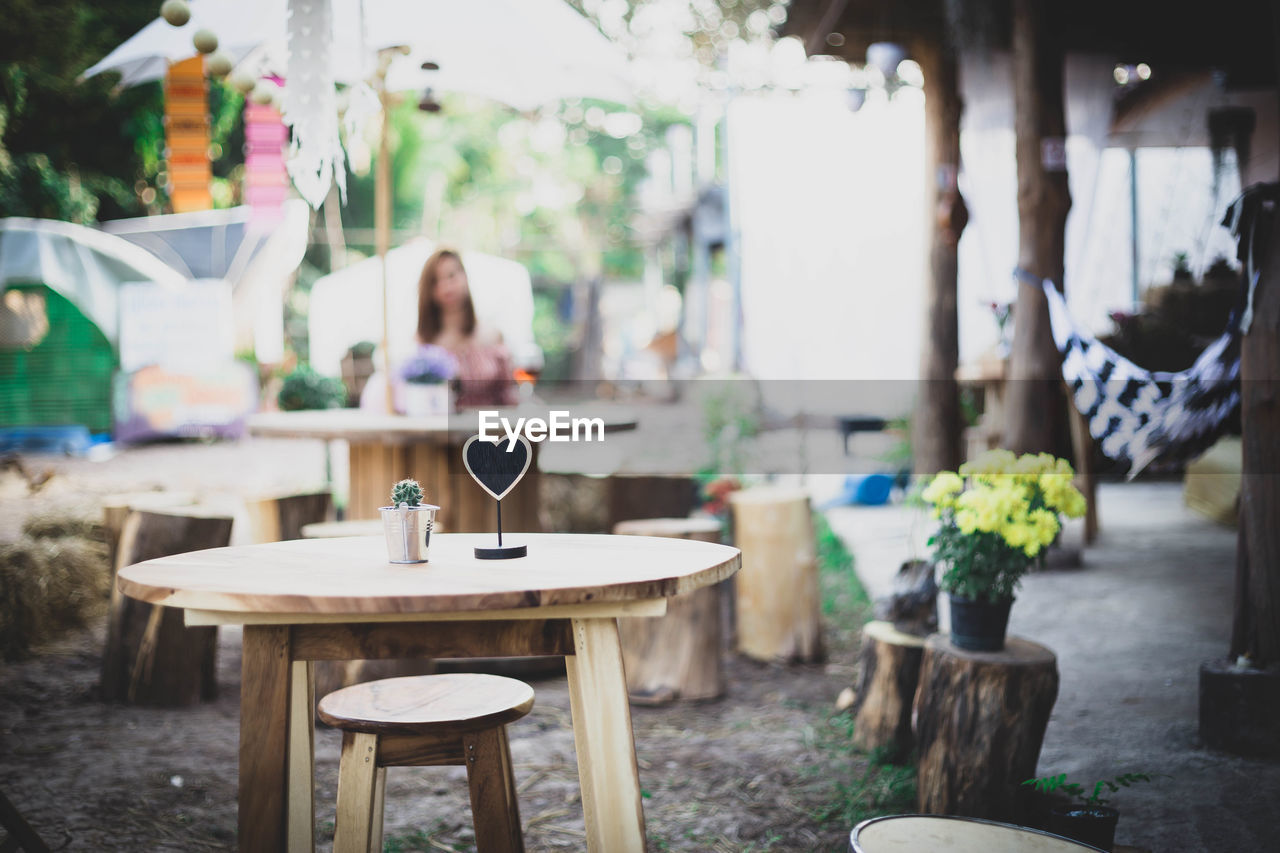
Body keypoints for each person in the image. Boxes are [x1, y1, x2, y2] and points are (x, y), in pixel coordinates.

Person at [413, 248, 517, 408]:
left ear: (465, 276)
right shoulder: (423, 342)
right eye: (436, 280)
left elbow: (509, 395)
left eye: (451, 275)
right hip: (441, 432)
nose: (446, 286)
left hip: (490, 430)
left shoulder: (492, 335)